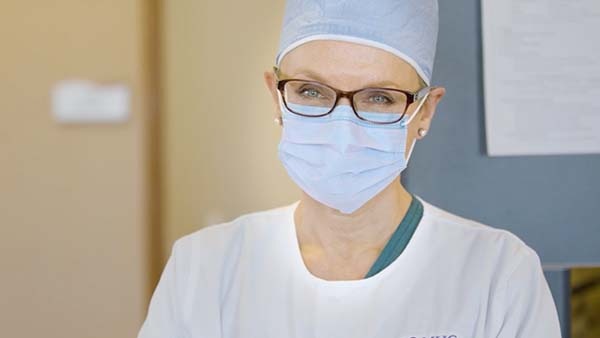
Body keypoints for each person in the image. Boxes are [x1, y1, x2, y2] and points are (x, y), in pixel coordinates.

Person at [138, 1, 562, 337]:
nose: (342, 124)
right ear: (276, 95)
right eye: (310, 90)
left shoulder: (498, 274)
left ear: (425, 111)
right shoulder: (205, 268)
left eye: (379, 97)